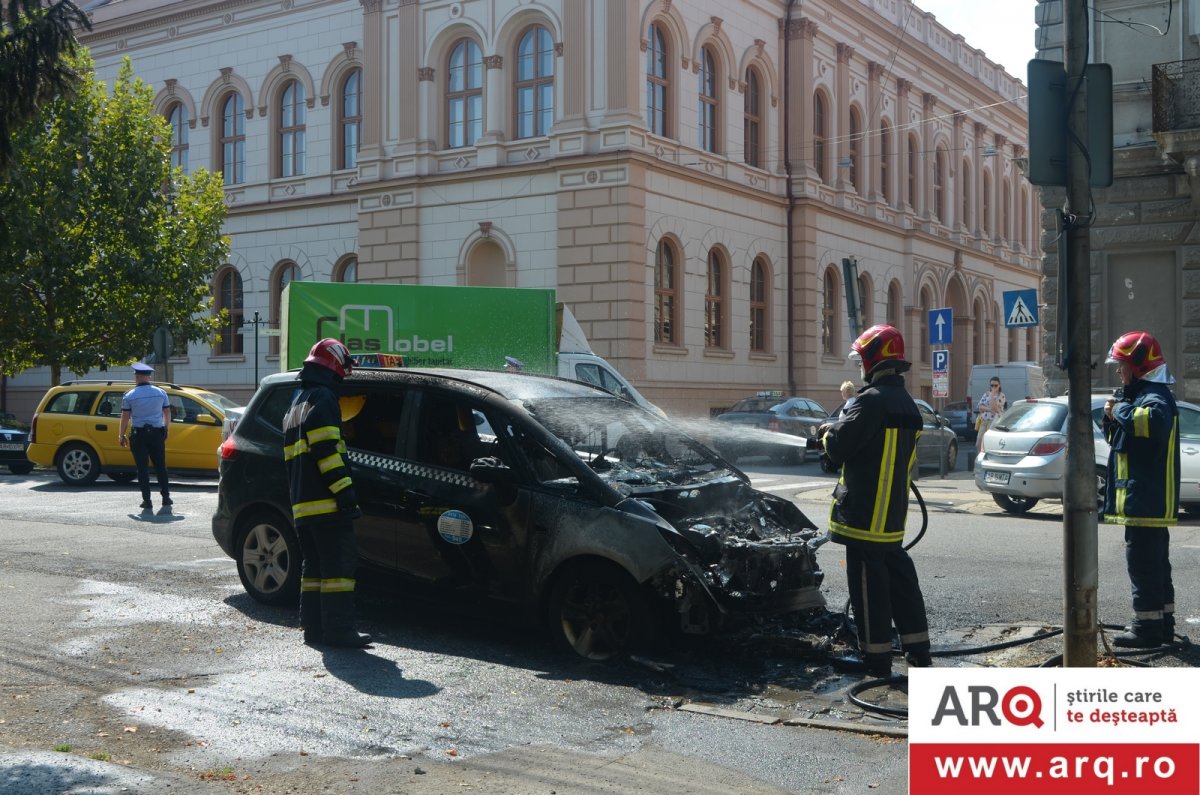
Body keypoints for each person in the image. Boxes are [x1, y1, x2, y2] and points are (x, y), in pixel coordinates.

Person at [818, 325, 932, 677]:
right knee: (899, 578)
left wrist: (825, 433)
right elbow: (907, 464)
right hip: (891, 517)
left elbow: (838, 449)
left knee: (867, 586)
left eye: (861, 360)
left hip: (865, 515)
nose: (860, 369)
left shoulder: (869, 401)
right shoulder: (908, 405)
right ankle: (918, 650)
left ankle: (876, 658)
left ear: (873, 361)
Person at [283, 338, 371, 648]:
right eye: (344, 371)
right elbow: (326, 451)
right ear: (334, 367)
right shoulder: (323, 399)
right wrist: (345, 493)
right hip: (327, 505)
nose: (345, 378)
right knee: (339, 570)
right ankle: (340, 630)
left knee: (315, 567)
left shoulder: (298, 402)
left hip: (303, 507)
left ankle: (314, 627)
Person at [1101, 331, 1179, 648]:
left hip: (1146, 502)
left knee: (1144, 567)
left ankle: (1146, 630)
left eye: (1122, 366)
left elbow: (1149, 423)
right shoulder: (1140, 396)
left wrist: (1116, 411)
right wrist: (1111, 419)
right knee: (1156, 567)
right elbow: (1121, 442)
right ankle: (1162, 626)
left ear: (1138, 365)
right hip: (1145, 502)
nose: (1119, 372)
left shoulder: (1155, 397)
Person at [118, 362, 172, 511]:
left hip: (139, 435)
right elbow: (167, 413)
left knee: (142, 469)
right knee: (161, 467)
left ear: (139, 376)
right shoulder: (161, 393)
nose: (135, 377)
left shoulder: (130, 395)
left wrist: (121, 435)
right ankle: (166, 498)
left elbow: (125, 417)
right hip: (157, 433)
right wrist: (165, 429)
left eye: (136, 375)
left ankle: (147, 500)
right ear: (148, 376)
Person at [975, 377, 1006, 454]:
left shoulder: (1001, 396)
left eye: (996, 385)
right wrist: (988, 409)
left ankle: (987, 460)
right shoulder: (986, 394)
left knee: (987, 443)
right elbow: (980, 407)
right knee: (978, 443)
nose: (993, 387)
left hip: (993, 421)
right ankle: (980, 460)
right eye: (992, 385)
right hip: (984, 420)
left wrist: (992, 395)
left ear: (999, 385)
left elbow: (994, 408)